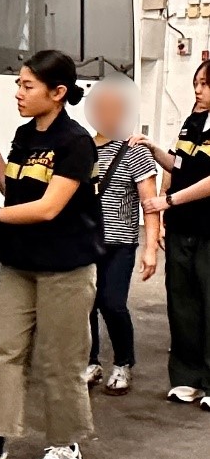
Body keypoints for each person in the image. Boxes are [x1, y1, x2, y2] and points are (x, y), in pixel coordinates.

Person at [0, 49, 101, 459]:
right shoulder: (23, 135)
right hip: (20, 263)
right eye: (18, 83)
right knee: (4, 353)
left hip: (66, 267)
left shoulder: (76, 143)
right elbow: (13, 188)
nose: (18, 92)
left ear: (57, 93)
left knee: (59, 359)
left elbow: (49, 208)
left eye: (27, 85)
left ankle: (64, 445)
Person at [130, 59, 210, 410]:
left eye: (205, 84)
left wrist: (168, 201)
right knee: (182, 305)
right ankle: (186, 379)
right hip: (182, 229)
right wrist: (152, 148)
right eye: (196, 83)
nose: (197, 89)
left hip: (208, 230)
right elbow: (180, 164)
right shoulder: (193, 122)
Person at [81, 78, 160, 396]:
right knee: (86, 304)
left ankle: (124, 362)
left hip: (120, 242)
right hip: (85, 242)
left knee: (113, 304)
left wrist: (150, 248)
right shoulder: (82, 148)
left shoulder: (135, 151)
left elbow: (149, 204)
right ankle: (91, 361)